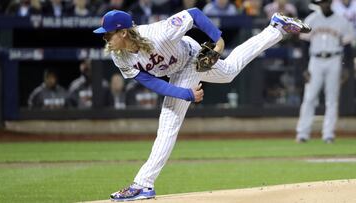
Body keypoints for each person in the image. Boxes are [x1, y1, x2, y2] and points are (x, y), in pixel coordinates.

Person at [93, 8, 311, 201]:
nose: (105, 39)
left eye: (108, 35)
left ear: (123, 32)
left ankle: (142, 184)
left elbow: (195, 14)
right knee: (229, 72)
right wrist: (184, 93)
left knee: (169, 122)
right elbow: (151, 82)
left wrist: (219, 40)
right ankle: (276, 28)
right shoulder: (120, 57)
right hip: (175, 72)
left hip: (190, 58)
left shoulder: (159, 32)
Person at [295, 0, 354, 144]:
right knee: (309, 97)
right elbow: (304, 45)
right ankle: (302, 133)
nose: (325, 4)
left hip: (334, 59)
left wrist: (346, 67)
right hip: (315, 60)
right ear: (319, 4)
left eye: (327, 2)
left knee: (332, 99)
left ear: (331, 3)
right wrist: (304, 68)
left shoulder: (342, 21)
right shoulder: (311, 19)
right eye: (322, 2)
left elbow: (347, 47)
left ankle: (328, 134)